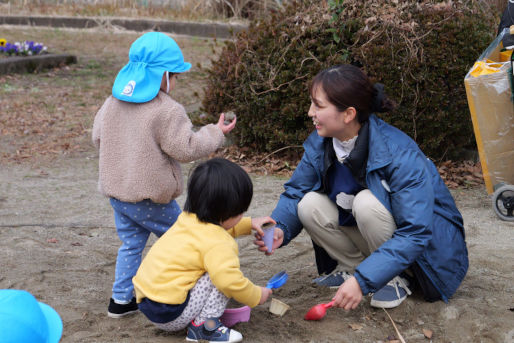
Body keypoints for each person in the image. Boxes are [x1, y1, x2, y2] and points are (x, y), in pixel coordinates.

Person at [253, 64, 468, 310]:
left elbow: (415, 232)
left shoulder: (399, 153)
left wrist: (363, 282)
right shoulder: (322, 143)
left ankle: (396, 276)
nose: (310, 112)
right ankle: (354, 268)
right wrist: (280, 228)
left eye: (318, 105)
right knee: (308, 204)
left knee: (365, 202)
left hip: (427, 254)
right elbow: (296, 192)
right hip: (378, 235)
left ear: (348, 114)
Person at [92, 32, 236, 318]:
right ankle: (194, 292)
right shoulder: (166, 111)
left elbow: (98, 137)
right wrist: (215, 132)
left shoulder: (112, 102)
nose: (176, 83)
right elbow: (186, 148)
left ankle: (120, 300)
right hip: (150, 198)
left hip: (118, 195)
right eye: (175, 76)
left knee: (131, 244)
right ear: (163, 75)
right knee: (187, 238)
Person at [132, 158, 273, 343]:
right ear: (229, 212)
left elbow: (215, 227)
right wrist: (256, 295)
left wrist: (249, 224)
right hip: (169, 313)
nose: (242, 216)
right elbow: (230, 282)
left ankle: (198, 318)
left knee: (209, 266)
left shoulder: (187, 219)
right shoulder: (219, 243)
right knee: (221, 276)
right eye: (241, 213)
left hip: (146, 302)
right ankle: (206, 328)